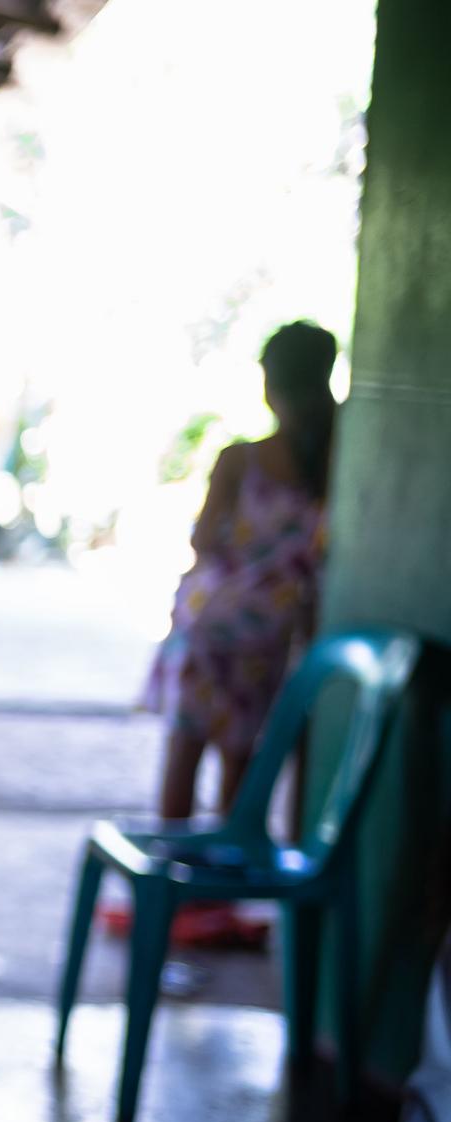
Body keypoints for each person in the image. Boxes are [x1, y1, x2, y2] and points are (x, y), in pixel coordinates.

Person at [147, 320, 336, 821]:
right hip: (274, 635)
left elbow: (204, 541)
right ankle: (223, 884)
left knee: (185, 750)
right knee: (240, 754)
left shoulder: (241, 460)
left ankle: (175, 883)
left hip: (213, 622)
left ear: (269, 384)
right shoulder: (335, 465)